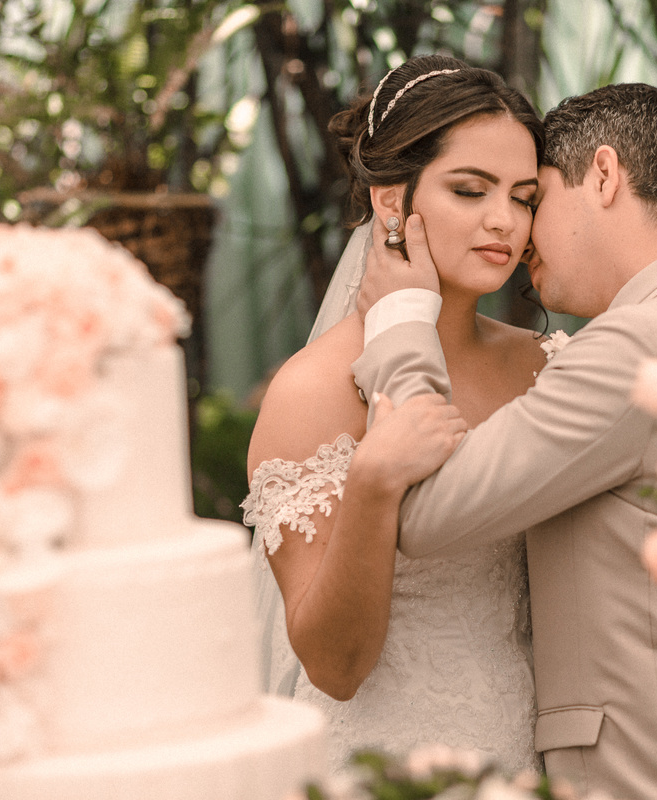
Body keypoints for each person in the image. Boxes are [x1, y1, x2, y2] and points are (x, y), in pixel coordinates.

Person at [352, 83, 657, 799]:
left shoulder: (637, 347)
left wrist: (398, 324)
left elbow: (426, 510)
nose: (519, 236)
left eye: (534, 199)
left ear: (604, 175)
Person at [241, 55, 546, 774]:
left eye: (524, 197)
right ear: (389, 201)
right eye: (470, 190)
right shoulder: (314, 391)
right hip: (384, 764)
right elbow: (333, 665)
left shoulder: (543, 365)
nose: (504, 220)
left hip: (533, 758)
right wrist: (373, 484)